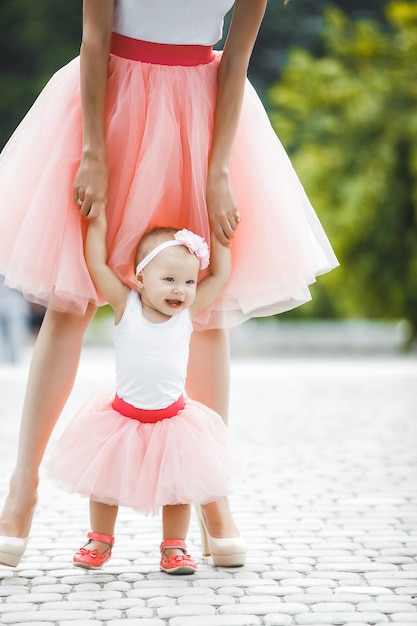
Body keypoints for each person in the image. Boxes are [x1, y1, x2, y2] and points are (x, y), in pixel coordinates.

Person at [0, 0, 338, 568]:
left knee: (205, 313)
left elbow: (235, 63)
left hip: (200, 118)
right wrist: (92, 151)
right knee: (71, 303)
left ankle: (212, 494)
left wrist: (219, 170)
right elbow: (93, 36)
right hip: (110, 103)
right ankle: (21, 489)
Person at [47, 222, 243, 573]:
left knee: (178, 487)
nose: (180, 290)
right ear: (139, 279)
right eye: (168, 279)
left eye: (188, 282)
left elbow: (221, 276)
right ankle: (100, 539)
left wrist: (220, 240)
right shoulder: (126, 305)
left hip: (172, 420)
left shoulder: (186, 314)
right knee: (105, 482)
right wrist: (97, 222)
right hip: (122, 418)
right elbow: (97, 266)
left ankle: (174, 547)